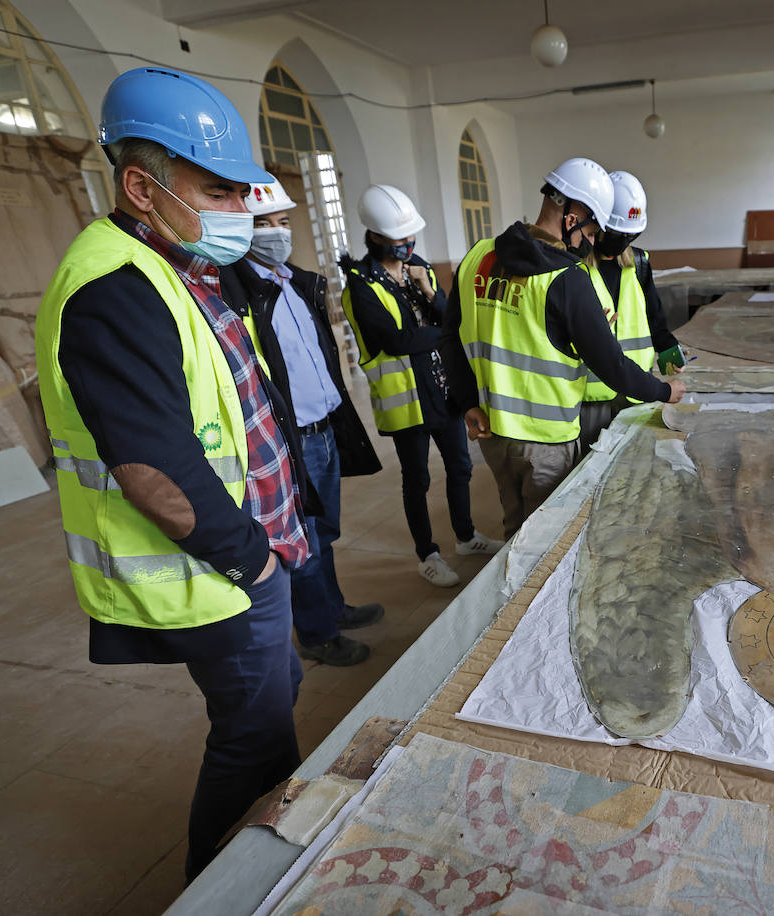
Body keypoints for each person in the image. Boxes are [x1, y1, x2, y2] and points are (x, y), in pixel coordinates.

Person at [35, 67, 307, 882]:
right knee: (253, 739)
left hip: (244, 558)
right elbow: (156, 474)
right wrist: (254, 562)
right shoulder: (113, 289)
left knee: (272, 714)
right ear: (141, 188)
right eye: (218, 192)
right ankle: (215, 889)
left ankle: (253, 868)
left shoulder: (175, 265)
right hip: (209, 577)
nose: (239, 211)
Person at [438, 157, 687, 539]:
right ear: (571, 220)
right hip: (546, 440)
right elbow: (611, 364)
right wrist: (665, 391)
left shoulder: (477, 256)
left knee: (514, 531)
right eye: (591, 232)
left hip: (492, 432)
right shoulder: (565, 278)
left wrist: (467, 402)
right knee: (543, 542)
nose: (591, 243)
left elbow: (449, 337)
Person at [220, 178, 384, 666]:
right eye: (263, 224)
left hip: (325, 429)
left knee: (325, 532)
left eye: (283, 222)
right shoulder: (239, 292)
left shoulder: (295, 283)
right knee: (304, 542)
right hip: (292, 440)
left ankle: (332, 609)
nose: (277, 233)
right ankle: (316, 635)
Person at [340, 185, 501, 586]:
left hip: (441, 389)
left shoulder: (421, 269)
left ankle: (465, 536)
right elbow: (396, 342)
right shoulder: (360, 285)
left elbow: (450, 319)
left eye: (410, 235)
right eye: (399, 238)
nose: (407, 243)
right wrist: (439, 330)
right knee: (417, 480)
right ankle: (426, 554)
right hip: (406, 402)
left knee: (461, 466)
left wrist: (429, 293)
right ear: (375, 237)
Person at [578, 170, 686, 454]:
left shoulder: (638, 262)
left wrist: (666, 346)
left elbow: (654, 312)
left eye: (629, 235)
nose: (622, 241)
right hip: (592, 397)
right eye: (616, 234)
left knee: (636, 465)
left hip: (637, 389)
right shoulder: (575, 267)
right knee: (591, 469)